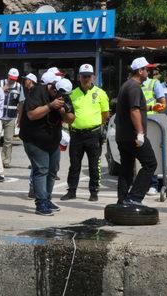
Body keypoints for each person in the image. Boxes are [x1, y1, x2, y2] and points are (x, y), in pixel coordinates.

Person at [20, 74, 75, 216]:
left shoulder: (64, 95)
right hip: (34, 139)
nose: (60, 97)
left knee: (52, 170)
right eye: (57, 94)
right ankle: (40, 203)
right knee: (41, 169)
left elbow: (71, 119)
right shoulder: (38, 92)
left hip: (53, 140)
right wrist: (50, 106)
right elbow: (32, 114)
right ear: (53, 88)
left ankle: (47, 198)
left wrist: (64, 112)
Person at [61, 64, 109, 202]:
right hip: (76, 134)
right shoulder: (73, 93)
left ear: (93, 76)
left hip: (93, 134)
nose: (86, 78)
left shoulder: (100, 93)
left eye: (88, 76)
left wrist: (96, 127)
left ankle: (93, 192)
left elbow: (105, 114)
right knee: (74, 164)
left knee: (94, 165)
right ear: (79, 77)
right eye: (83, 76)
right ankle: (71, 191)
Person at [114, 57, 158, 206]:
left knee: (126, 168)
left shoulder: (126, 85)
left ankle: (122, 201)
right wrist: (140, 133)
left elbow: (135, 108)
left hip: (122, 136)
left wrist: (151, 108)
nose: (149, 72)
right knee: (150, 164)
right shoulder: (134, 87)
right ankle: (134, 197)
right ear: (140, 71)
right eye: (147, 69)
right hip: (133, 136)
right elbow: (133, 110)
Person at [142, 66, 167, 196]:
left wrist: (152, 108)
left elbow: (163, 104)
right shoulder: (132, 83)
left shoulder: (154, 83)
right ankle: (140, 183)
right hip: (136, 121)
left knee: (151, 153)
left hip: (152, 122)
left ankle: (153, 184)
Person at [0, 68, 25, 168]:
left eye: (14, 78)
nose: (12, 80)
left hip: (11, 117)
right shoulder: (0, 83)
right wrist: (2, 90)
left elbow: (21, 103)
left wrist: (19, 118)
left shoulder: (19, 87)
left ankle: (6, 161)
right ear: (7, 76)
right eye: (10, 78)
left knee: (8, 141)